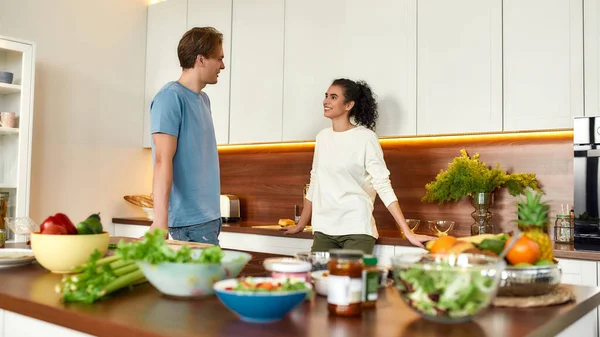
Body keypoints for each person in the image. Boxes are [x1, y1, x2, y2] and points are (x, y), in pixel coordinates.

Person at [285, 78, 434, 253]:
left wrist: (407, 232)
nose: (326, 101)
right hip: (323, 229)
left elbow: (383, 185)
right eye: (326, 96)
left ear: (348, 105)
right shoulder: (322, 137)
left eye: (333, 97)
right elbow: (315, 181)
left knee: (351, 281)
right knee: (319, 280)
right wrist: (301, 224)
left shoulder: (366, 138)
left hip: (356, 229)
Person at [148, 27, 225, 245]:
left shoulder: (203, 100)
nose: (222, 66)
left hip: (208, 219)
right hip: (188, 224)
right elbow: (162, 161)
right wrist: (160, 221)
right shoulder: (170, 98)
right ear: (201, 59)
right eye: (218, 59)